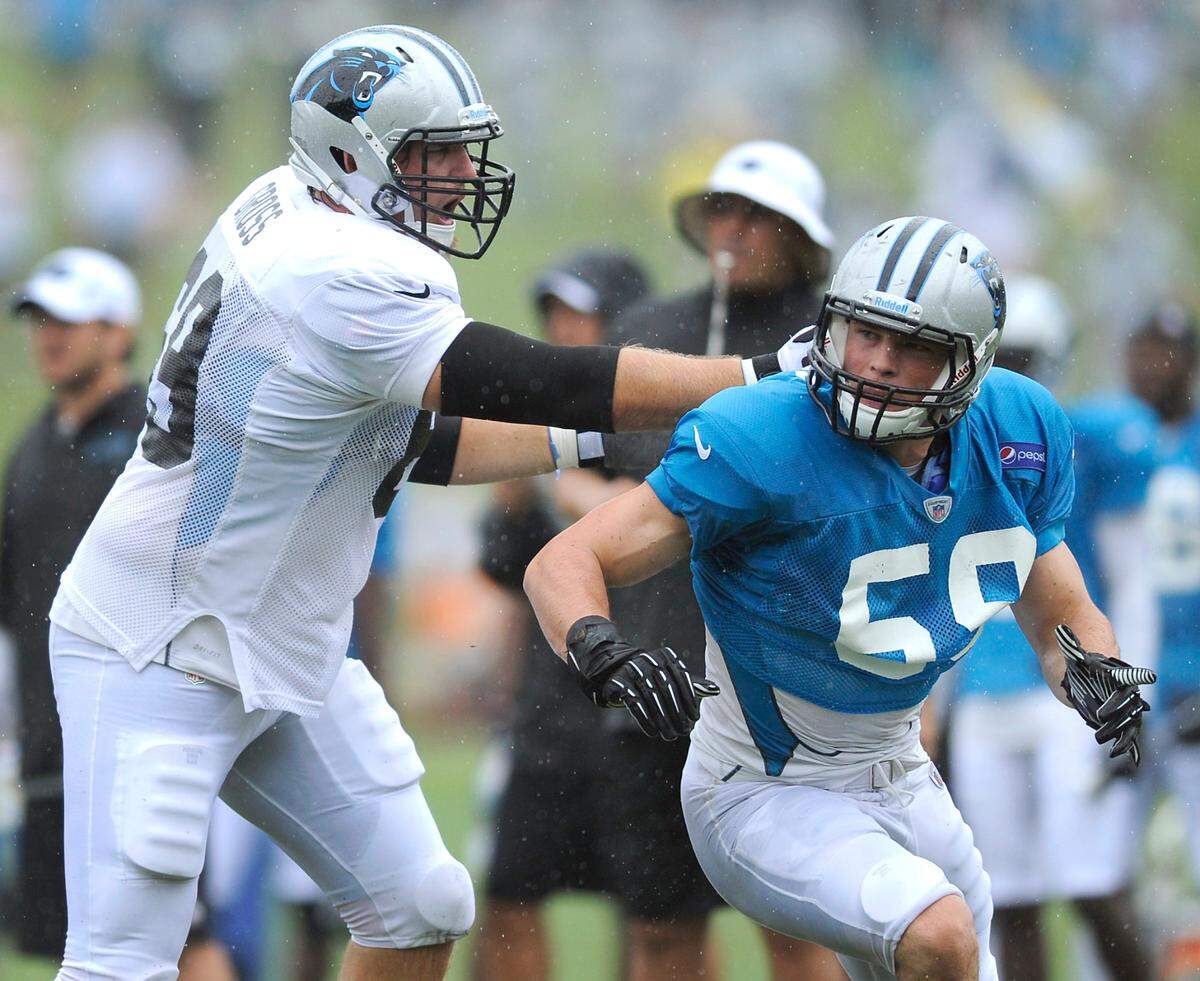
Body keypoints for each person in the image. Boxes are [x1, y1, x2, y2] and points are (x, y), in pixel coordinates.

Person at [45, 25, 804, 981]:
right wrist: (754, 377)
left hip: (282, 639)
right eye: (430, 152)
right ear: (348, 152)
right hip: (157, 639)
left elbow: (417, 443)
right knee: (122, 959)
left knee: (420, 904)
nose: (455, 174)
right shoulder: (337, 268)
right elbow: (537, 381)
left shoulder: (291, 206)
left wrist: (607, 440)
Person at [523, 216, 1158, 981]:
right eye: (863, 331)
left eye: (913, 346)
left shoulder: (1019, 430)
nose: (878, 363)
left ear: (972, 363)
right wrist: (601, 647)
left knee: (960, 953)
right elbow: (567, 557)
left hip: (903, 774)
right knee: (941, 935)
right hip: (763, 787)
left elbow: (1061, 622)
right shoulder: (766, 432)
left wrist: (1096, 673)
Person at [601, 140, 844, 980]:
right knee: (663, 929)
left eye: (760, 216)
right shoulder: (645, 334)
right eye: (723, 210)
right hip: (657, 662)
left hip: (790, 679)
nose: (734, 230)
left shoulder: (839, 347)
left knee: (799, 926)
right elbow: (588, 484)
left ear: (802, 238)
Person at [0, 248, 233, 978]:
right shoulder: (33, 446)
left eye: (71, 320)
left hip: (145, 728)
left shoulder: (158, 430)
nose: (50, 336)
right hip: (50, 740)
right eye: (40, 320)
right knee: (83, 946)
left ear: (120, 330)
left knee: (181, 936)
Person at [946, 275, 1157, 980]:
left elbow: (1132, 581)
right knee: (1008, 895)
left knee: (1093, 879)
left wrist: (1128, 683)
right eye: (1004, 360)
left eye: (1028, 360)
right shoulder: (945, 452)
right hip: (982, 691)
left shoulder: (1082, 441)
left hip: (1064, 687)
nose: (1014, 378)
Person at [474, 248, 649, 980]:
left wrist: (581, 491)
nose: (561, 330)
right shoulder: (538, 423)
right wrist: (516, 485)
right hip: (549, 705)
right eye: (554, 315)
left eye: (580, 313)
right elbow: (503, 569)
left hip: (640, 694)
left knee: (651, 907)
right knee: (511, 888)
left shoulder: (654, 419)